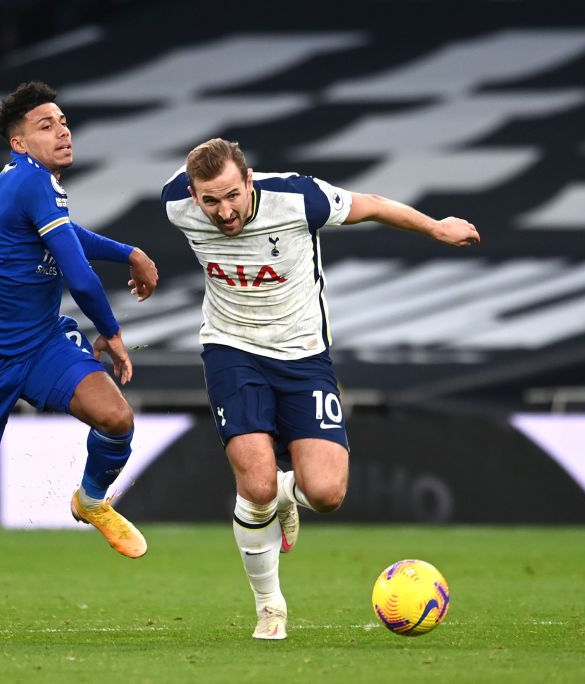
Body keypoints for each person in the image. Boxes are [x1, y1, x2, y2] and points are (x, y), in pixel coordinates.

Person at [161, 138, 480, 640]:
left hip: (303, 356)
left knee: (327, 494)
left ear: (249, 181)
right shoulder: (175, 202)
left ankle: (288, 496)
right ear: (193, 195)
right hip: (231, 349)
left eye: (231, 196)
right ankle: (270, 607)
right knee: (256, 485)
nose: (223, 211)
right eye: (210, 201)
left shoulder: (298, 199)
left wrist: (436, 227)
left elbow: (372, 205)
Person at [0, 81, 159, 612]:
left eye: (63, 121)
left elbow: (69, 237)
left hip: (41, 342)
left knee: (116, 418)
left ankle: (90, 501)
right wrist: (113, 333)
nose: (62, 131)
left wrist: (129, 251)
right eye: (45, 126)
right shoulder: (29, 183)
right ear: (20, 144)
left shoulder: (39, 185)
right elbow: (79, 276)